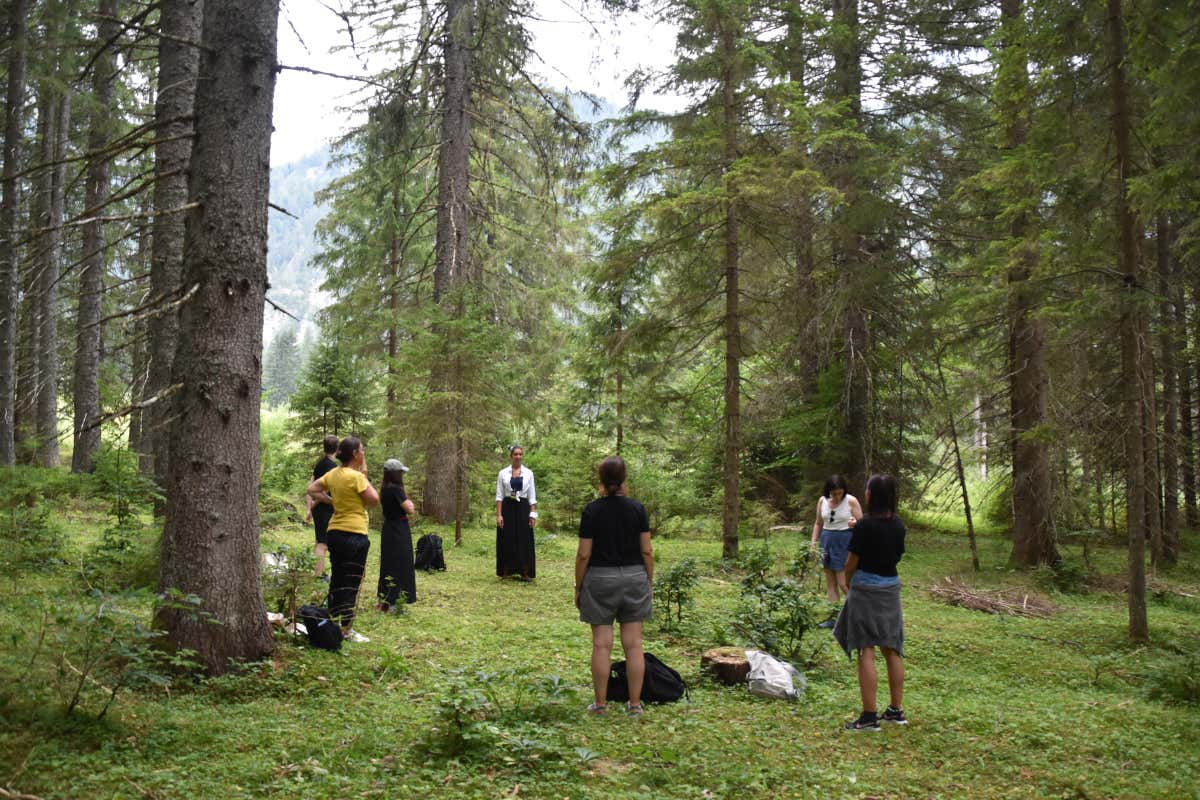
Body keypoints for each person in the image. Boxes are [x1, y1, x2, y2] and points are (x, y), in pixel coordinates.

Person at [575, 455, 654, 716]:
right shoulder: (637, 509)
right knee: (634, 645)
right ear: (623, 479)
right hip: (634, 578)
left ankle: (600, 704)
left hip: (600, 580)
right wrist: (648, 581)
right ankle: (635, 705)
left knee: (601, 645)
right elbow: (647, 551)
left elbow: (584, 554)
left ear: (601, 479)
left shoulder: (592, 510)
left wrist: (578, 586)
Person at [833, 473, 907, 732]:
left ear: (872, 495)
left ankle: (868, 717)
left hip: (865, 588)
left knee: (866, 650)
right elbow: (896, 555)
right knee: (891, 648)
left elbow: (851, 562)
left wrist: (846, 581)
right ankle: (896, 711)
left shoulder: (865, 526)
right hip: (891, 588)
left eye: (867, 489)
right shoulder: (898, 524)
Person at [307, 436, 379, 642]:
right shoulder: (356, 477)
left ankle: (334, 622)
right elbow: (374, 499)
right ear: (355, 454)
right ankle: (347, 629)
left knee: (338, 576)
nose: (363, 453)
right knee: (351, 580)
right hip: (354, 533)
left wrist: (331, 501)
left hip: (335, 532)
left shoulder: (333, 474)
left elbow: (312, 489)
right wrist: (363, 475)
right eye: (362, 450)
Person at [810, 474, 863, 626]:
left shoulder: (851, 501)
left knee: (843, 583)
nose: (838, 496)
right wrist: (813, 542)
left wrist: (855, 523)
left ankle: (859, 614)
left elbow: (863, 524)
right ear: (829, 491)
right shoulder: (822, 501)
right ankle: (834, 618)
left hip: (844, 541)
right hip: (826, 540)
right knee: (830, 582)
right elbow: (818, 523)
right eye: (834, 493)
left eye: (840, 493)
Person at [377, 459, 417, 611]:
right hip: (399, 530)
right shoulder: (396, 490)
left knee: (388, 563)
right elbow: (410, 509)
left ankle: (385, 599)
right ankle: (394, 601)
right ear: (396, 474)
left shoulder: (384, 488)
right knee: (400, 563)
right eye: (400, 473)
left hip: (388, 528)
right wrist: (409, 501)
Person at [495, 445, 538, 581]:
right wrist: (499, 515)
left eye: (520, 454)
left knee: (524, 539)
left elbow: (532, 496)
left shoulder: (529, 473)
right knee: (506, 538)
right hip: (507, 507)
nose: (518, 457)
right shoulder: (503, 473)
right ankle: (506, 570)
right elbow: (499, 496)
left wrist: (533, 515)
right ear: (511, 456)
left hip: (523, 508)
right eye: (516, 454)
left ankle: (525, 571)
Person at [305, 435, 339, 580]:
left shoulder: (320, 463)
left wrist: (309, 508)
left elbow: (310, 484)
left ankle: (319, 572)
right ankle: (318, 576)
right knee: (323, 544)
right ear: (337, 448)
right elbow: (322, 491)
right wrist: (314, 505)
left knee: (319, 541)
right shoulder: (332, 467)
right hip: (324, 510)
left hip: (320, 510)